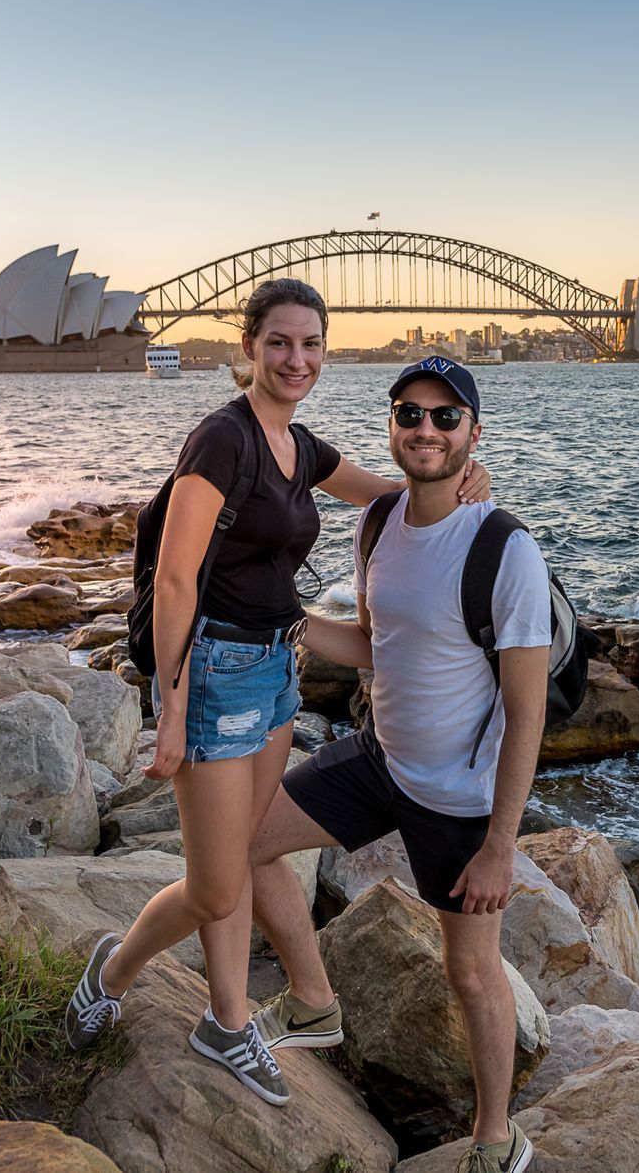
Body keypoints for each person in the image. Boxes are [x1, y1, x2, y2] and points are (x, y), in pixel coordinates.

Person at [62, 281, 490, 1108]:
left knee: (248, 853)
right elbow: (180, 579)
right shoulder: (223, 441)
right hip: (215, 670)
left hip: (277, 667)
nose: (298, 359)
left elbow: (391, 490)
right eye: (280, 343)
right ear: (248, 348)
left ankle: (227, 1021)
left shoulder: (299, 445)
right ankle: (109, 973)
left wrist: (464, 476)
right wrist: (173, 712)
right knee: (219, 882)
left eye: (312, 345)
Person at [244, 357, 548, 1173]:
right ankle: (313, 1003)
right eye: (411, 413)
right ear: (391, 426)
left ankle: (496, 1138)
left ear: (474, 435)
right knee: (246, 843)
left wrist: (501, 844)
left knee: (472, 973)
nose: (426, 429)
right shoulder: (376, 524)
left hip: (459, 799)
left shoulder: (505, 549)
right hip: (383, 759)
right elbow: (376, 646)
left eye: (447, 418)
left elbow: (528, 711)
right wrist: (285, 617)